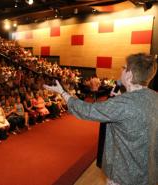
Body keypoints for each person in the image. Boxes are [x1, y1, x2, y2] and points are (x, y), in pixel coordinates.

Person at [43, 53, 158, 185]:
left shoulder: (123, 103)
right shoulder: (155, 97)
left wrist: (62, 92)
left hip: (124, 175)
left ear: (129, 74)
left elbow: (87, 110)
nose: (121, 70)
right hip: (149, 173)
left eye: (123, 67)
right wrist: (122, 98)